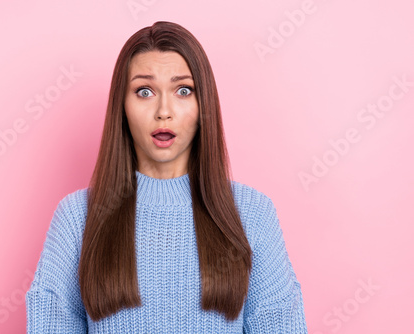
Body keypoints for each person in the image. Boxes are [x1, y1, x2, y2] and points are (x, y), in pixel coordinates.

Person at [25, 21, 308, 333]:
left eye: (183, 90)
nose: (164, 111)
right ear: (122, 106)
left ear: (204, 105)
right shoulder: (77, 218)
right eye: (144, 91)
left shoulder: (253, 214)